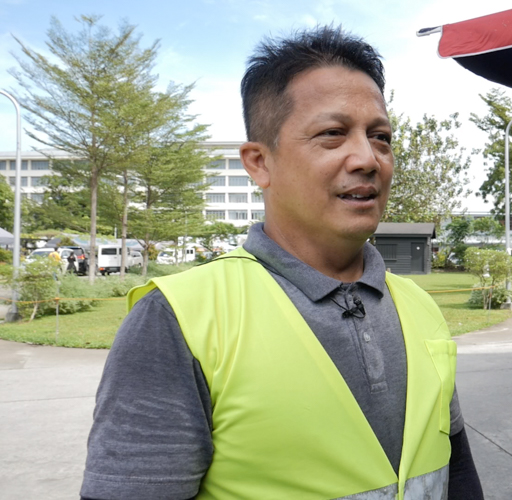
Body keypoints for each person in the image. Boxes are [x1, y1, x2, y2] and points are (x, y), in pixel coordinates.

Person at [81, 26, 483, 500]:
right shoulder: (177, 319)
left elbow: (455, 472)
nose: (368, 158)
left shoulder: (419, 306)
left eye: (380, 137)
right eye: (333, 134)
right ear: (258, 163)